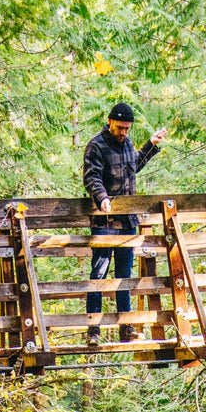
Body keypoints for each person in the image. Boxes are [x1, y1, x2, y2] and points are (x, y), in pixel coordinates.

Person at [82, 102, 167, 347]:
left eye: (127, 129)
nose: (123, 132)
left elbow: (134, 166)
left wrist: (150, 145)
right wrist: (102, 198)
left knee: (124, 276)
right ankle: (94, 329)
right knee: (99, 274)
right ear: (110, 122)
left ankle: (126, 326)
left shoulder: (127, 143)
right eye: (120, 128)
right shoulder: (96, 145)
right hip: (105, 221)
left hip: (127, 221)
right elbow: (91, 177)